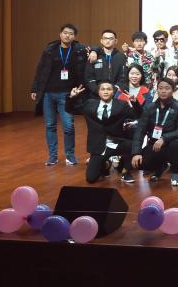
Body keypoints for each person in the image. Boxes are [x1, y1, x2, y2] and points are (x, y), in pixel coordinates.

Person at [31, 23, 88, 167]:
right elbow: (40, 70)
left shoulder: (79, 50)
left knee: (68, 126)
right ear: (60, 34)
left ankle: (70, 155)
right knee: (50, 125)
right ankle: (52, 156)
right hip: (48, 93)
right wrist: (35, 89)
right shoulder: (50, 50)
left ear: (74, 36)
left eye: (71, 33)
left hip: (67, 94)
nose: (67, 35)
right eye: (65, 33)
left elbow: (92, 52)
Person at [69, 80, 140, 184]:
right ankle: (105, 164)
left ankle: (125, 170)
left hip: (116, 142)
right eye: (103, 89)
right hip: (99, 145)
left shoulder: (121, 105)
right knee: (91, 179)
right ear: (98, 92)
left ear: (113, 92)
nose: (106, 91)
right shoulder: (90, 103)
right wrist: (72, 97)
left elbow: (137, 115)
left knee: (134, 146)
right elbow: (71, 109)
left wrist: (135, 103)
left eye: (109, 89)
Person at [131, 78, 178, 186]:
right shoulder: (150, 107)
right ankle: (160, 167)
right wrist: (136, 153)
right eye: (160, 88)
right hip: (154, 144)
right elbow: (140, 130)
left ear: (173, 90)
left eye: (167, 88)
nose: (163, 91)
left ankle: (175, 171)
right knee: (139, 163)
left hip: (172, 143)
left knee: (176, 145)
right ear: (157, 90)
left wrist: (164, 138)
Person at [84, 29, 127, 95]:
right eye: (105, 38)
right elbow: (89, 77)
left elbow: (123, 77)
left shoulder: (121, 57)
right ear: (101, 41)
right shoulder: (94, 55)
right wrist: (97, 90)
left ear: (116, 41)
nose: (108, 41)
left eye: (111, 39)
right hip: (96, 95)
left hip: (115, 94)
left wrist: (113, 90)